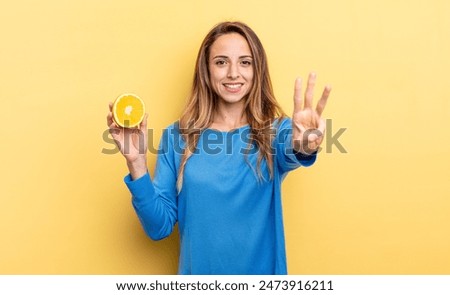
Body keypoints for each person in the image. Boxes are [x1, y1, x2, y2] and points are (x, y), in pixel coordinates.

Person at [106, 21, 331, 275]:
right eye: (221, 62)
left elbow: (294, 149)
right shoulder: (177, 136)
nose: (233, 73)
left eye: (245, 62)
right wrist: (136, 163)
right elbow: (158, 227)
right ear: (206, 70)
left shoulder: (275, 132)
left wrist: (304, 144)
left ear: (257, 70)